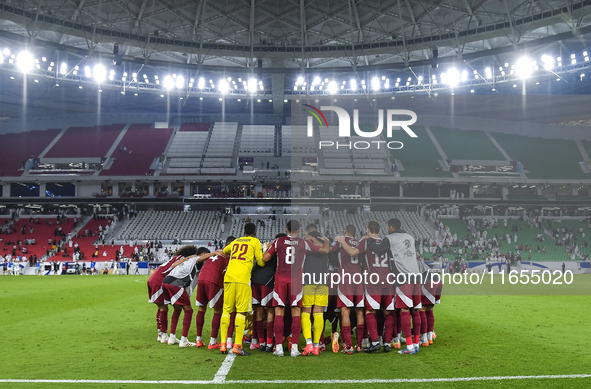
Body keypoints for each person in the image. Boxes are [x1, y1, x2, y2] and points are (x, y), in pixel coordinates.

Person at [262, 220, 328, 357]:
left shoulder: (279, 241)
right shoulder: (303, 242)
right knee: (296, 313)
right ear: (299, 230)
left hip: (280, 280)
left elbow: (265, 258)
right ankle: (294, 349)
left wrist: (267, 249)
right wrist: (326, 241)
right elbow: (324, 250)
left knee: (279, 312)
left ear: (286, 229)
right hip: (296, 282)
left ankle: (279, 347)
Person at [366, 218, 422, 355]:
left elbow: (379, 250)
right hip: (416, 276)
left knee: (404, 310)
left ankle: (409, 347)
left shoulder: (390, 238)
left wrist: (369, 239)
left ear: (391, 227)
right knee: (415, 310)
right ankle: (416, 344)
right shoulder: (410, 237)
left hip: (403, 277)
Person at [338, 220, 396, 354]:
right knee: (388, 312)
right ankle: (387, 343)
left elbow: (352, 253)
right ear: (380, 231)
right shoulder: (386, 242)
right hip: (388, 279)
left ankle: (375, 342)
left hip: (373, 280)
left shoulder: (365, 242)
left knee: (370, 312)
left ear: (367, 230)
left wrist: (342, 240)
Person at [214, 223, 265, 356]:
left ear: (244, 231)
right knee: (241, 312)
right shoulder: (255, 241)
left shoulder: (236, 240)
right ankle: (237, 345)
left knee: (226, 310)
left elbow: (225, 250)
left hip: (229, 277)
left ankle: (223, 344)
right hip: (243, 279)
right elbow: (260, 262)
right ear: (255, 232)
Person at [161, 246, 212, 347]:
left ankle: (172, 338)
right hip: (176, 283)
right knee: (189, 310)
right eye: (206, 257)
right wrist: (214, 253)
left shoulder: (189, 260)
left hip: (166, 282)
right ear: (203, 255)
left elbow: (174, 265)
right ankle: (184, 340)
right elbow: (200, 258)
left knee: (177, 309)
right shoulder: (196, 259)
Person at [194, 236, 236, 350]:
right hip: (213, 280)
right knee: (218, 311)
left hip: (201, 279)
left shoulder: (216, 253)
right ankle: (212, 342)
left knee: (201, 309)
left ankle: (198, 340)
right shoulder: (230, 256)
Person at [331, 225, 366, 354]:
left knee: (345, 310)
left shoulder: (340, 240)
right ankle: (360, 345)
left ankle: (348, 346)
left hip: (345, 278)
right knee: (359, 310)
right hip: (359, 277)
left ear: (345, 232)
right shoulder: (359, 242)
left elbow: (330, 249)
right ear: (355, 234)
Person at [300, 224, 331, 356]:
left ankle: (308, 344)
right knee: (318, 313)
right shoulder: (325, 241)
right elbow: (327, 250)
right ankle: (317, 345)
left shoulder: (305, 241)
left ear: (307, 231)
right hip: (323, 280)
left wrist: (310, 239)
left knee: (306, 312)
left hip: (308, 278)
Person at [252, 233, 284, 352]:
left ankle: (261, 342)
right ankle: (269, 344)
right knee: (271, 312)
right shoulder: (280, 251)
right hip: (268, 281)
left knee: (258, 311)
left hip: (255, 279)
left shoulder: (266, 248)